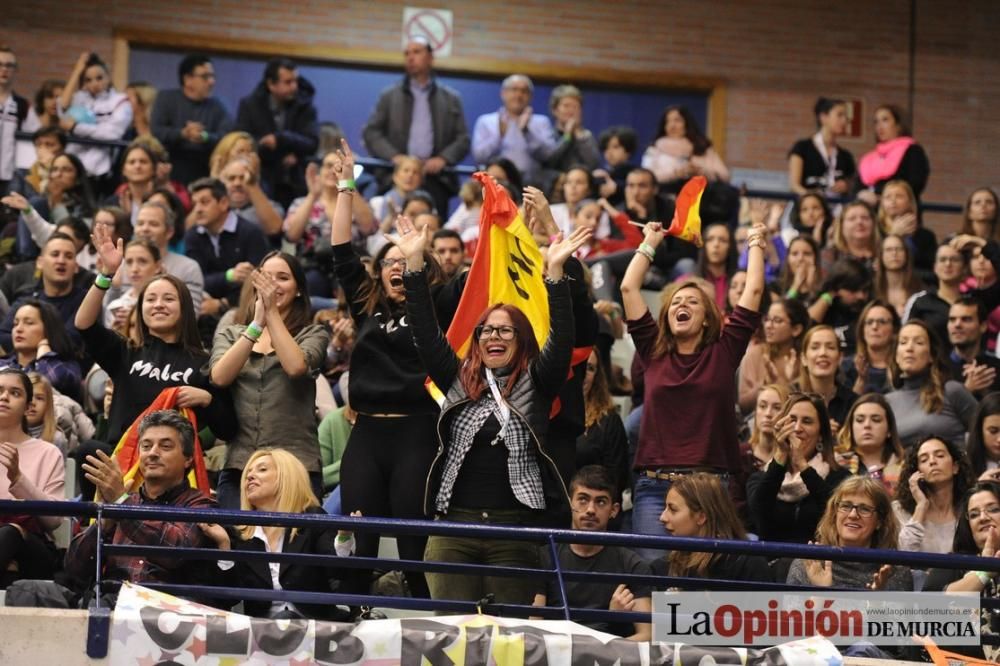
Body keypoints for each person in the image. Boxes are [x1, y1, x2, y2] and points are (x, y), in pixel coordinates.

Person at [396, 209, 589, 604]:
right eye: (486, 330)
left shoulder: (539, 380)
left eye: (506, 330)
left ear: (521, 340)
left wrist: (555, 275)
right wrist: (414, 264)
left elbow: (563, 336)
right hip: (454, 530)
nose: (494, 337)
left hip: (514, 533)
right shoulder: (456, 377)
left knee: (511, 647)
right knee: (451, 642)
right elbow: (424, 331)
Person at [328, 140, 442, 600]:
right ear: (377, 274)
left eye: (404, 262)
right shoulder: (366, 308)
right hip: (368, 434)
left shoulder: (434, 310)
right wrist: (346, 186)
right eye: (388, 262)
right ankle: (353, 613)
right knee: (357, 536)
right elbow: (340, 250)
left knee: (414, 542)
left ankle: (424, 621)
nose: (396, 267)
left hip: (418, 432)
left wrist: (416, 254)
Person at [621, 212, 766, 557]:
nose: (681, 305)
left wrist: (756, 241)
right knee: (656, 579)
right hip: (655, 488)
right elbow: (628, 287)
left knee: (704, 584)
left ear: (707, 319)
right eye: (675, 303)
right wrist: (650, 244)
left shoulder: (725, 350)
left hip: (710, 487)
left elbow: (755, 289)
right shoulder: (653, 350)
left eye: (692, 302)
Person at [74, 227, 235, 495]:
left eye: (168, 299)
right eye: (150, 299)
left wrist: (207, 399)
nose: (158, 304)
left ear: (184, 308)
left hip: (173, 475)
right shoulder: (126, 351)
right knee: (90, 451)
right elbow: (84, 324)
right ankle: (95, 528)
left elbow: (229, 429)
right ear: (141, 310)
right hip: (119, 465)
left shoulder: (205, 364)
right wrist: (106, 274)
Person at [208, 252, 330, 508]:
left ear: (298, 290)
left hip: (297, 466)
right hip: (240, 465)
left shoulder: (314, 333)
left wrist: (271, 314)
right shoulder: (232, 333)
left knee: (294, 545)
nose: (273, 285)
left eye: (282, 278)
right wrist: (256, 325)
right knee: (237, 542)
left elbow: (296, 366)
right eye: (266, 278)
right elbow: (219, 376)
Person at [66, 410, 216, 604]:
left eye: (165, 446)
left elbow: (175, 551)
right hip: (107, 600)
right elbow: (73, 570)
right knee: (29, 590)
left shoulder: (201, 505)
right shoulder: (124, 501)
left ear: (188, 458)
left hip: (162, 612)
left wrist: (121, 504)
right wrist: (105, 524)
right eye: (146, 446)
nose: (153, 453)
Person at [198, 448, 354, 619]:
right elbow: (228, 598)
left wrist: (345, 537)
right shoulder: (241, 534)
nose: (249, 476)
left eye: (262, 469)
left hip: (316, 629)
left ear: (286, 477)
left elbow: (339, 571)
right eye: (248, 472)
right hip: (263, 633)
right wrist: (224, 546)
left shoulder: (313, 519)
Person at [533, 466, 651, 640]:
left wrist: (612, 624)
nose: (590, 509)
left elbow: (648, 636)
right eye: (582, 499)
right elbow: (534, 628)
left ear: (614, 510)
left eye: (601, 502)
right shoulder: (544, 557)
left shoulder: (633, 565)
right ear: (570, 503)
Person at [363, 38, 469, 217]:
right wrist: (395, 157)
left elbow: (463, 138)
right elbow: (371, 132)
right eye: (407, 53)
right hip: (396, 177)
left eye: (417, 52)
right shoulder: (389, 96)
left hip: (435, 179)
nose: (410, 57)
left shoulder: (451, 98)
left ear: (430, 58)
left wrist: (443, 158)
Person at [748, 392, 851, 544]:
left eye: (807, 421)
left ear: (821, 434)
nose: (797, 428)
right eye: (791, 420)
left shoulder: (840, 478)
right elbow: (759, 513)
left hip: (817, 562)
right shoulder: (759, 477)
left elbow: (835, 514)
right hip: (770, 563)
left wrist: (802, 465)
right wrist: (781, 455)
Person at [786, 477, 912, 590]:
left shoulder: (896, 572)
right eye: (846, 506)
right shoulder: (807, 564)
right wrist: (821, 592)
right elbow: (789, 616)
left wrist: (876, 604)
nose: (852, 515)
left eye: (865, 509)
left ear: (880, 521)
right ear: (835, 514)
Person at [924, 481, 1000, 662]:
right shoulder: (952, 565)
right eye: (974, 515)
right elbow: (929, 608)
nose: (983, 517)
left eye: (994, 509)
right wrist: (984, 572)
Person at [0, 367, 65, 581]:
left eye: (15, 393)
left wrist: (18, 479)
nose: (4, 397)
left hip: (32, 548)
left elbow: (53, 521)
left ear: (28, 407)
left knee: (11, 531)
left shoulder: (48, 452)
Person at [284, 149, 375, 297]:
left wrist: (348, 182)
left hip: (351, 266)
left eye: (339, 166)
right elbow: (291, 235)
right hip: (313, 267)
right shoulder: (301, 203)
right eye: (328, 165)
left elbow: (369, 227)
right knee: (310, 282)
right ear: (320, 171)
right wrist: (312, 195)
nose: (333, 170)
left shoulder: (358, 202)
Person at [235, 58, 318, 207]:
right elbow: (242, 139)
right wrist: (266, 145)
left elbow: (312, 141)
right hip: (262, 175)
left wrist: (281, 140)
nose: (294, 87)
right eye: (288, 82)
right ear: (271, 84)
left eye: (296, 81)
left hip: (295, 180)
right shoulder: (250, 105)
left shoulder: (304, 105)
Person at [657, 472, 771, 580]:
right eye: (665, 508)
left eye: (673, 509)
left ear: (701, 517)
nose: (662, 517)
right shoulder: (663, 568)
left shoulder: (748, 565)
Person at [184, 177, 269, 317]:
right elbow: (196, 280)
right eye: (194, 204)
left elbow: (259, 283)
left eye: (204, 202)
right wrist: (229, 276)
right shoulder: (192, 236)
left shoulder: (251, 233)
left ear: (223, 203)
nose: (197, 209)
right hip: (204, 304)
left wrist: (224, 304)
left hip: (245, 308)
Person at [886, 320, 976, 448]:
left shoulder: (952, 391)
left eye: (919, 342)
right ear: (896, 356)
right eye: (903, 342)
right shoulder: (887, 402)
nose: (909, 348)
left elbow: (988, 429)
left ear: (931, 355)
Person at [0, 232, 91, 352]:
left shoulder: (86, 301)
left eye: (68, 256)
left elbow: (71, 340)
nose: (61, 260)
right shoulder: (26, 299)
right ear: (40, 263)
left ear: (76, 267)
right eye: (55, 254)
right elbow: (3, 336)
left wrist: (27, 342)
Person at [150, 54, 233, 184]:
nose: (212, 82)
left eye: (212, 76)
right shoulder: (166, 99)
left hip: (204, 169)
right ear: (188, 79)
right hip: (171, 167)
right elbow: (156, 131)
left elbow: (227, 137)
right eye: (205, 77)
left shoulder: (218, 106)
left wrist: (204, 137)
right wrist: (183, 134)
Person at [57, 52, 132, 190]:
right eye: (88, 80)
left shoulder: (120, 101)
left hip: (102, 170)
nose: (95, 83)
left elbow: (112, 133)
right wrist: (77, 70)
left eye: (99, 78)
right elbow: (62, 109)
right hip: (73, 166)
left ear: (108, 77)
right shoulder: (80, 97)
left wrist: (75, 127)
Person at [471, 74, 557, 187]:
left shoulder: (541, 122)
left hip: (531, 187)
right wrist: (499, 136)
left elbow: (549, 156)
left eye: (524, 91)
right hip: (495, 186)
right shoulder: (487, 121)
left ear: (530, 96)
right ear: (503, 93)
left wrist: (527, 132)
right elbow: (479, 157)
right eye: (514, 89)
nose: (518, 95)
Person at [893, 436, 973, 554]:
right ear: (917, 472)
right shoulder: (899, 510)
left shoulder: (971, 509)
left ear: (955, 467)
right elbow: (903, 554)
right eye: (924, 460)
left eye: (940, 456)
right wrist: (921, 506)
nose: (932, 461)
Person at [9, 151, 96, 259]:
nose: (58, 174)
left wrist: (57, 204)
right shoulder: (40, 200)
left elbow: (73, 235)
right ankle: (25, 258)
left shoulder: (85, 207)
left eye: (66, 170)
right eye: (54, 169)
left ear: (77, 178)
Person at [0, 298, 81, 402]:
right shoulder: (3, 365)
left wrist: (45, 355)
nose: (18, 329)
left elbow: (55, 380)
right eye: (15, 324)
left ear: (49, 329)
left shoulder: (67, 366)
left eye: (29, 323)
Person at [130, 200, 205, 312]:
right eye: (140, 223)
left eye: (153, 224)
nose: (145, 229)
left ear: (169, 232)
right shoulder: (122, 265)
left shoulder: (188, 268)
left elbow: (190, 316)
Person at [575, 352, 629, 499]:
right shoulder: (549, 413)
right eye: (579, 365)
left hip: (594, 507)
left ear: (596, 377)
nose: (584, 373)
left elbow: (617, 478)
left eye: (590, 368)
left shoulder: (609, 421)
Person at [738, 298, 807, 414]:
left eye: (777, 320)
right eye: (767, 319)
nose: (769, 325)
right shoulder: (756, 353)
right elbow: (743, 405)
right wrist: (766, 383)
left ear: (796, 329)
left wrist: (790, 382)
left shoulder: (805, 359)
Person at [641, 105, 729, 191]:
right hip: (665, 197)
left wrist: (701, 172)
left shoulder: (702, 147)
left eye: (677, 120)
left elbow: (724, 176)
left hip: (701, 197)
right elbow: (646, 177)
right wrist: (676, 174)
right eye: (667, 121)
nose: (672, 126)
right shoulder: (654, 149)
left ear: (687, 123)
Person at [857, 104, 930, 199]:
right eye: (876, 122)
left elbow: (915, 184)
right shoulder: (870, 158)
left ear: (898, 125)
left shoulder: (912, 150)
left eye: (885, 120)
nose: (879, 126)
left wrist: (882, 198)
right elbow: (858, 187)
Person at [835, 394, 905, 493]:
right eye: (860, 420)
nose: (867, 425)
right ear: (851, 428)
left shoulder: (905, 467)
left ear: (889, 430)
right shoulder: (835, 463)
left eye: (876, 420)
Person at [903, 242, 967, 347]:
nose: (948, 264)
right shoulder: (920, 301)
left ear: (964, 268)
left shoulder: (973, 300)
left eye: (954, 259)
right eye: (942, 260)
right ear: (935, 267)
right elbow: (905, 336)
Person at [788, 97, 855, 196]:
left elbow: (853, 185)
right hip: (808, 208)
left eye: (845, 116)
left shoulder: (846, 156)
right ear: (823, 117)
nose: (844, 120)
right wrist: (814, 200)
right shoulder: (802, 148)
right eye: (840, 115)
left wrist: (846, 185)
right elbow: (794, 186)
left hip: (837, 209)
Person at [797, 325, 858, 428]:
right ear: (803, 358)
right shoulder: (788, 397)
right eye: (815, 347)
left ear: (840, 358)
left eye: (830, 347)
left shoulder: (853, 403)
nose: (823, 353)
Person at [808, 257, 872, 355]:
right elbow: (807, 325)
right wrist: (828, 296)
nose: (861, 296)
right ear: (837, 288)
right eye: (853, 290)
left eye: (864, 291)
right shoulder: (826, 308)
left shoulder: (869, 310)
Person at [542, 85, 601, 185]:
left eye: (575, 107)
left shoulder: (585, 136)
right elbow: (549, 161)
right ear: (555, 110)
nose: (571, 111)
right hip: (554, 189)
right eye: (566, 106)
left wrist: (578, 134)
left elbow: (593, 164)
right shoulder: (548, 134)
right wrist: (567, 136)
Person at [878, 179, 936, 278]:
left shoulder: (926, 236)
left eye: (899, 196)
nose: (893, 201)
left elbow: (932, 270)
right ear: (882, 203)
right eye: (888, 197)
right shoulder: (875, 231)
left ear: (910, 202)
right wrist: (894, 235)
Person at [946, 296, 1000, 398]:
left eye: (966, 319)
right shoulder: (936, 368)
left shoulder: (996, 370)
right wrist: (966, 390)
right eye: (952, 319)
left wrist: (987, 394)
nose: (957, 325)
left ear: (983, 326)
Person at [218, 156, 285, 238]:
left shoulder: (272, 207)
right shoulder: (216, 209)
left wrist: (251, 184)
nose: (237, 183)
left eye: (243, 178)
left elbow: (274, 229)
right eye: (231, 178)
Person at [101, 238, 161, 330]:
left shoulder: (170, 301)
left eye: (142, 261)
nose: (134, 269)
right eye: (129, 262)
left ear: (157, 266)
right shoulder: (116, 306)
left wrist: (135, 321)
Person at [843, 300, 899, 395]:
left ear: (894, 330)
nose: (874, 327)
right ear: (862, 330)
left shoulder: (902, 367)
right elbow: (846, 407)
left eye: (882, 322)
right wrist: (861, 380)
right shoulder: (847, 366)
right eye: (869, 322)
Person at [0, 46, 30, 196]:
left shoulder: (23, 105)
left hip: (9, 176)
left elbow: (34, 136)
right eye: (0, 64)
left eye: (9, 65)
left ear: (15, 70)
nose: (4, 69)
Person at [819, 201, 879, 274]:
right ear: (841, 226)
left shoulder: (883, 252)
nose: (859, 222)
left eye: (865, 218)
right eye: (852, 219)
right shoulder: (830, 255)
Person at [874, 233, 923, 317]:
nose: (894, 253)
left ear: (906, 254)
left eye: (899, 249)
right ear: (881, 256)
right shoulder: (872, 289)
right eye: (889, 250)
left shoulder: (920, 288)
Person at [593, 125, 637, 206]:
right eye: (606, 148)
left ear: (628, 150)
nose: (609, 152)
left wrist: (616, 187)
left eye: (615, 147)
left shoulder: (636, 172)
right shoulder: (601, 172)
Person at [774, 235, 822, 305]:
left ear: (815, 258)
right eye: (794, 254)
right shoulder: (775, 287)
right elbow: (780, 313)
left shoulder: (826, 287)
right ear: (788, 258)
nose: (800, 258)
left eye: (807, 254)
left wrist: (811, 288)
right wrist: (795, 287)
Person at [967, 394, 1000, 482]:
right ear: (979, 429)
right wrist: (978, 487)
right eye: (993, 431)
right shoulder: (963, 466)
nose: (999, 439)